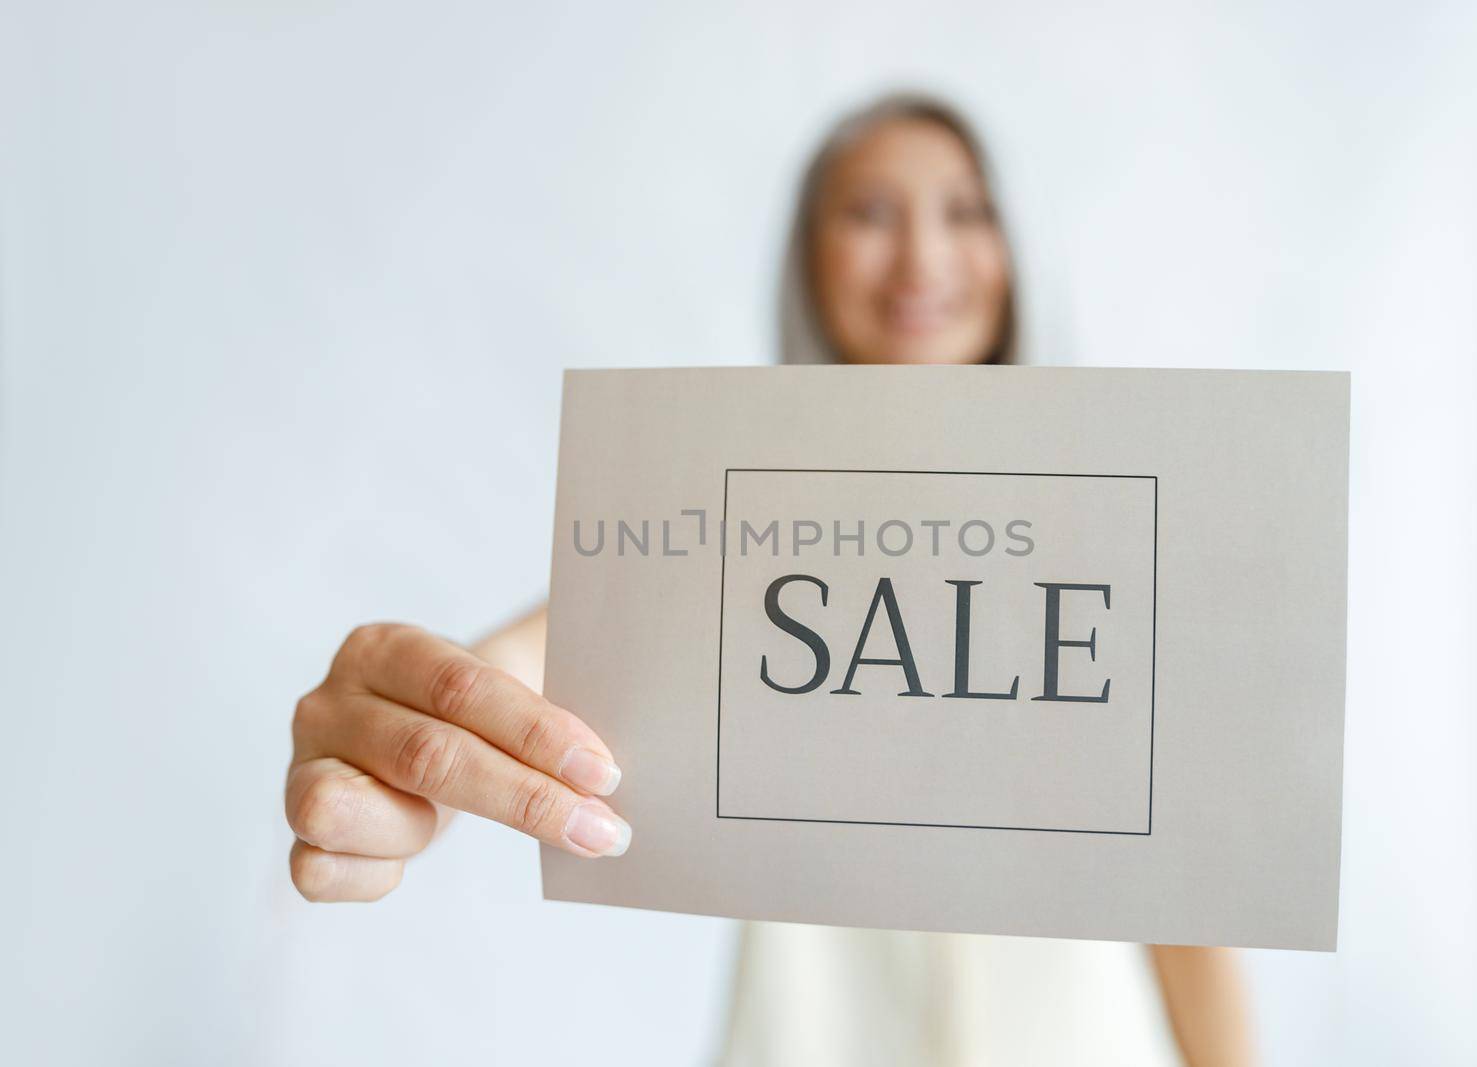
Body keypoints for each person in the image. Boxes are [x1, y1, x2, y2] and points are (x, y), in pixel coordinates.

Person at [285, 93, 1255, 1066]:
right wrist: (410, 729)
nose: (923, 257)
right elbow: (529, 666)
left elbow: (1187, 910)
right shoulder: (736, 537)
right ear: (808, 258)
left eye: (965, 210)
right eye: (870, 212)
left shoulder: (1114, 538)